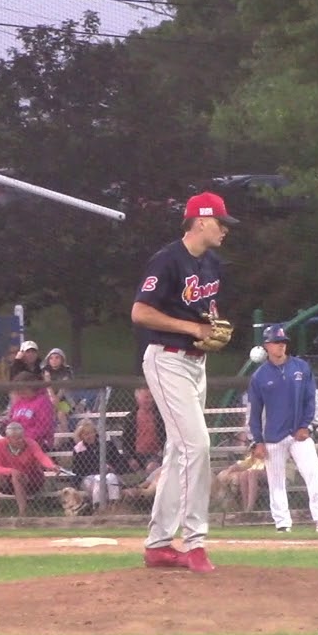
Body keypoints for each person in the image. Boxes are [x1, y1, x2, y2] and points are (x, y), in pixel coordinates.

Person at [131, 190, 239, 573]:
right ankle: (195, 542)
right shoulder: (167, 260)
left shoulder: (212, 264)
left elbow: (204, 314)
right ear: (202, 221)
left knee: (180, 452)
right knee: (197, 444)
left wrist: (208, 331)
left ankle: (159, 544)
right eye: (221, 222)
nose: (226, 229)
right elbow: (141, 311)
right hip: (166, 359)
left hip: (197, 364)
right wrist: (189, 327)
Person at [248, 324, 318, 533]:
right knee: (276, 481)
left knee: (313, 474)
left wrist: (308, 426)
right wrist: (257, 440)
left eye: (283, 342)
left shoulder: (301, 367)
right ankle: (282, 523)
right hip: (273, 437)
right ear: (266, 346)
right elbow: (253, 411)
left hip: (299, 433)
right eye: (277, 342)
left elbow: (311, 399)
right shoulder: (259, 377)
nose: (281, 346)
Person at [0, 422, 61, 517]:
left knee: (16, 477)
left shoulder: (31, 443)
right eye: (17, 438)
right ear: (8, 439)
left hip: (31, 479)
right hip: (9, 479)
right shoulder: (0, 444)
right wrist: (11, 471)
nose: (20, 440)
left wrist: (51, 465)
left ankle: (23, 514)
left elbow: (41, 456)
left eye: (21, 437)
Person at [70, 419, 126, 512]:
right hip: (88, 478)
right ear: (81, 436)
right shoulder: (78, 449)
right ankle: (98, 508)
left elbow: (120, 462)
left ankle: (114, 506)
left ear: (95, 432)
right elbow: (78, 470)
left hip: (107, 475)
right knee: (98, 481)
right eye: (85, 434)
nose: (89, 436)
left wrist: (112, 468)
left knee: (111, 477)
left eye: (91, 433)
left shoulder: (107, 445)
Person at [213, 431, 266, 513]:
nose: (253, 451)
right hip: (256, 476)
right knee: (244, 475)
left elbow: (264, 467)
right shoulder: (254, 456)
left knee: (252, 473)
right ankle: (245, 509)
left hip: (270, 474)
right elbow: (243, 464)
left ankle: (250, 508)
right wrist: (230, 470)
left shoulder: (267, 451)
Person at [120, 387, 166, 473]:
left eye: (151, 397)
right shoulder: (131, 417)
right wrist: (130, 458)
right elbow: (125, 442)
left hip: (156, 454)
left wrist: (162, 452)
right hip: (136, 454)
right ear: (137, 399)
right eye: (146, 397)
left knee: (152, 467)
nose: (150, 400)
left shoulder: (160, 416)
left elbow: (165, 436)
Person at [42, 348, 77, 435]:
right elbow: (47, 386)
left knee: (61, 414)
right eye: (51, 358)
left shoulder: (67, 370)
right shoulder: (44, 371)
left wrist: (56, 399)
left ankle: (65, 435)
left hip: (64, 401)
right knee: (48, 411)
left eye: (57, 357)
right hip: (48, 401)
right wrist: (52, 398)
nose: (54, 360)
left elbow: (63, 388)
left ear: (62, 359)